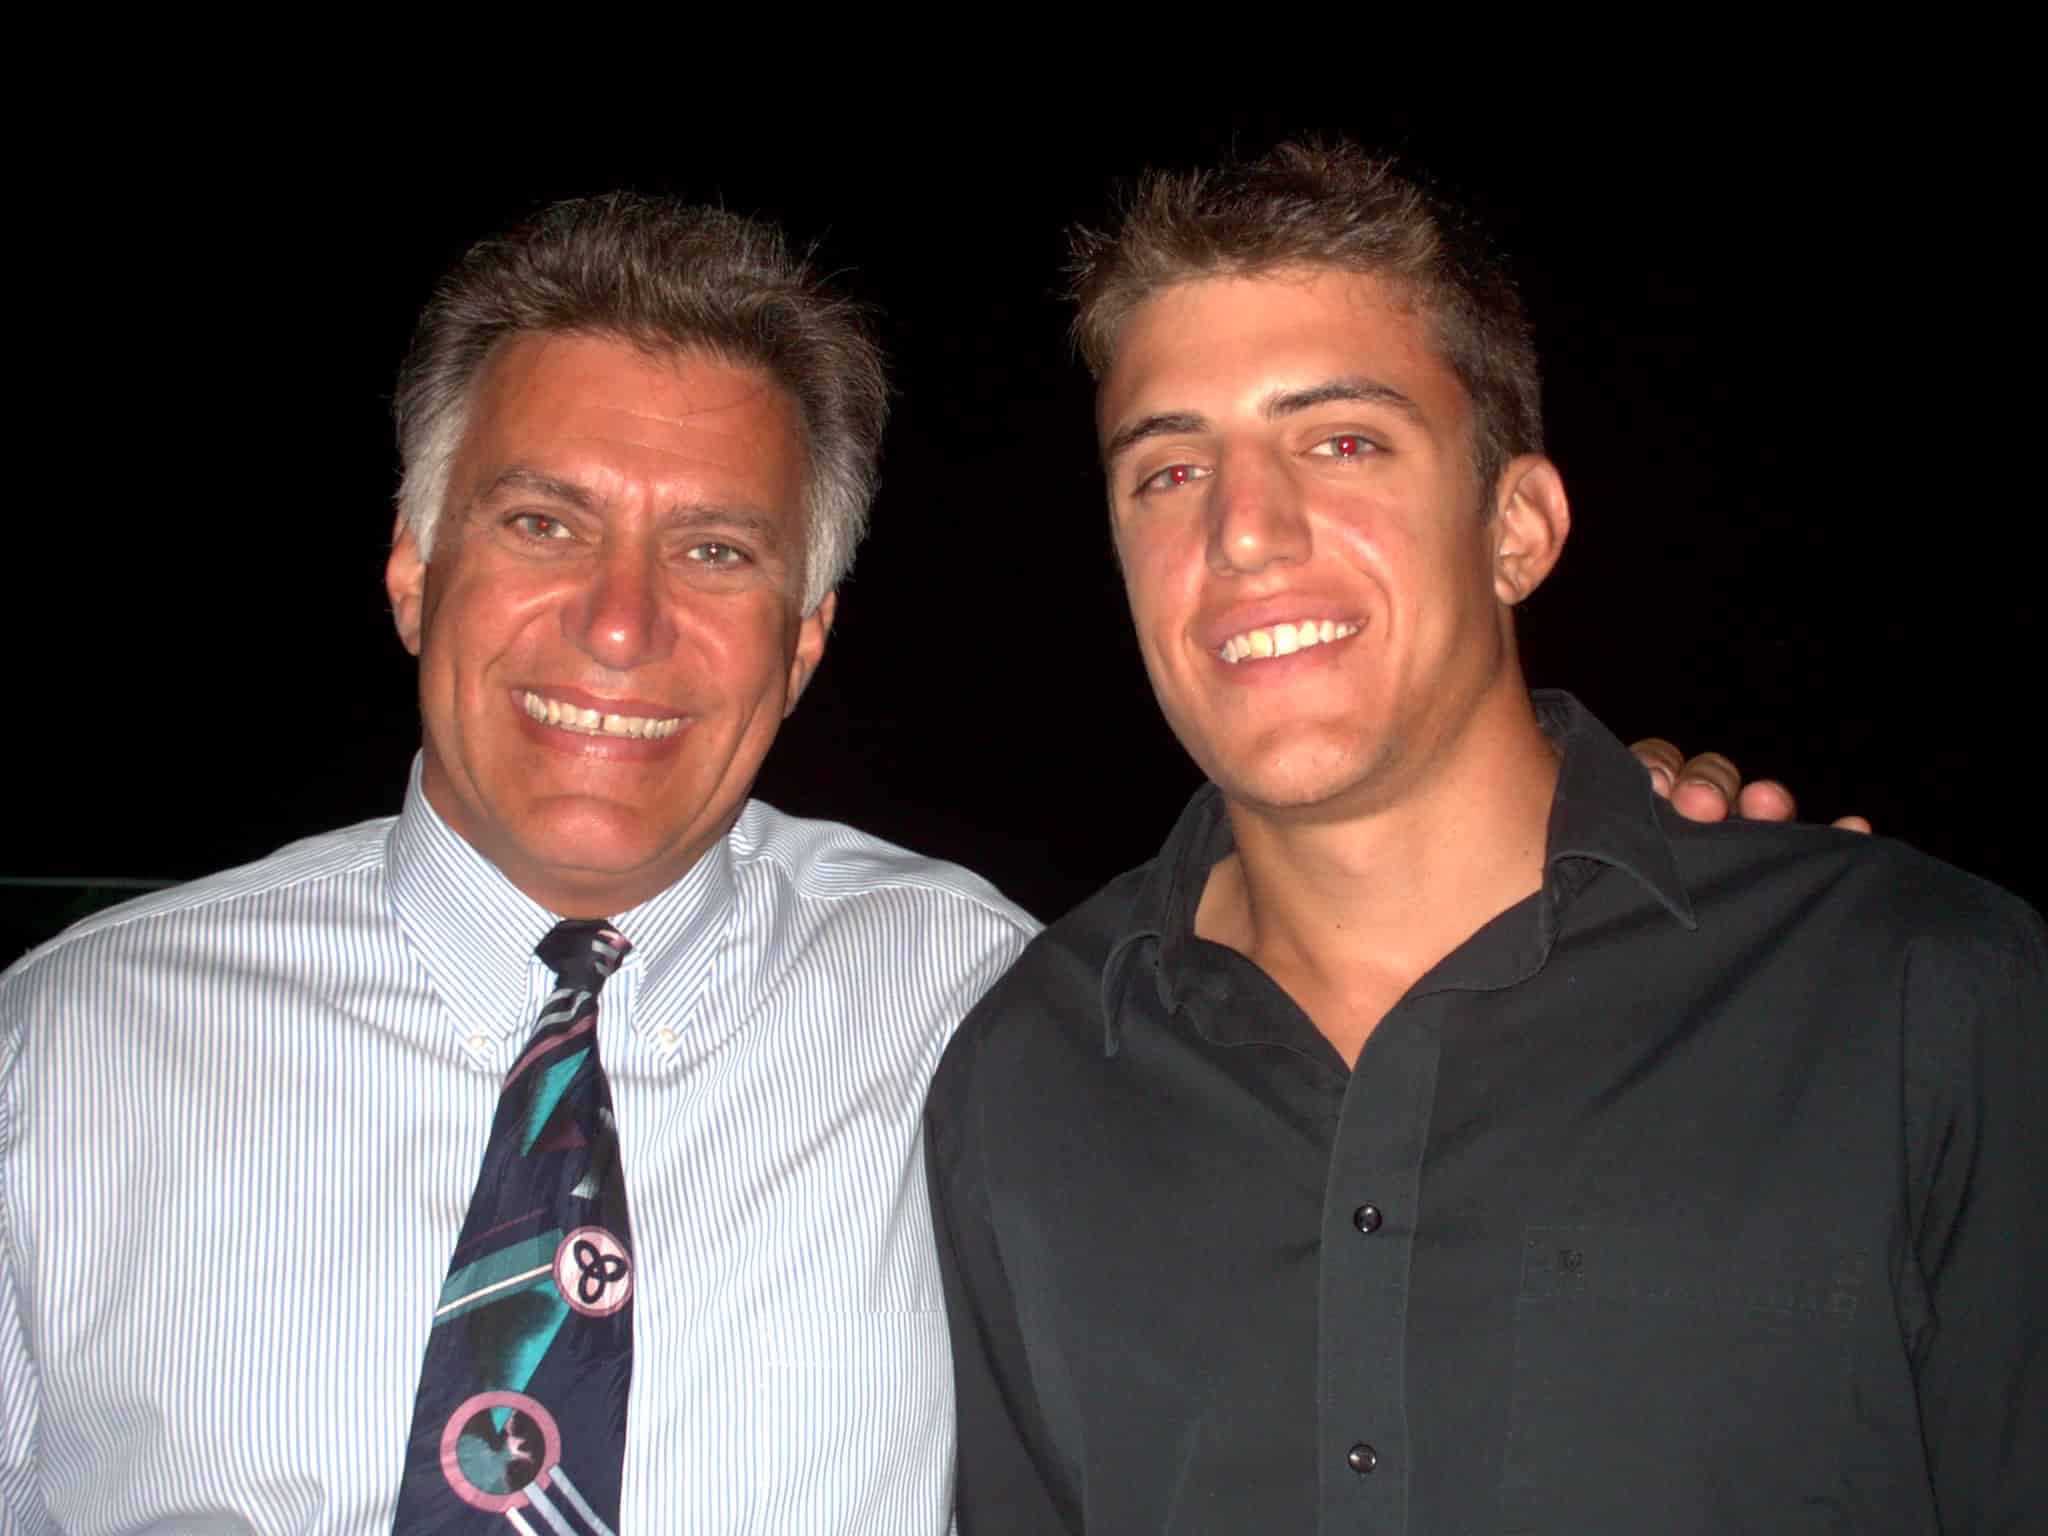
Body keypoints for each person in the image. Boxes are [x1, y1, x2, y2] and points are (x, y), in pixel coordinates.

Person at [0, 188, 1795, 1533]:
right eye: (543, 522)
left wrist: (1623, 838)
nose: (620, 627)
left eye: (718, 552)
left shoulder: (987, 1006)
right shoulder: (62, 1053)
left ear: (803, 639)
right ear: (413, 570)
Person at [926, 142, 2042, 1534]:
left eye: (1342, 441)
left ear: (1517, 527)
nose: (1244, 533)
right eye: (1169, 470)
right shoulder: (1027, 1078)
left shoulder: (1914, 995)